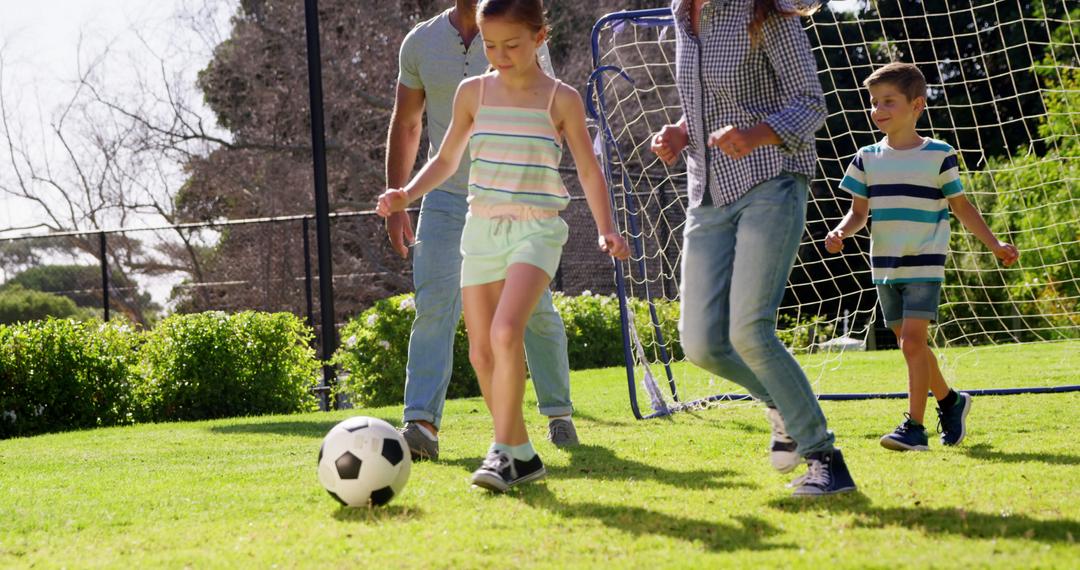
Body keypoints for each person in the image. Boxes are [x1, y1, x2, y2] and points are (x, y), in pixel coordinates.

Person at [377, 0, 630, 491]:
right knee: (480, 354)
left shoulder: (561, 98)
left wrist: (606, 227)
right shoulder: (471, 91)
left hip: (536, 226)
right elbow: (447, 158)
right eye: (491, 46)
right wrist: (405, 192)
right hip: (479, 225)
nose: (499, 54)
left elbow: (587, 168)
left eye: (511, 45)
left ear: (539, 38)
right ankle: (518, 452)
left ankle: (513, 444)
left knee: (508, 328)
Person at [650, 0, 856, 496]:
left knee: (749, 329)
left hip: (771, 179)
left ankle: (824, 458)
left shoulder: (767, 11)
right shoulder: (682, 16)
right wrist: (681, 131)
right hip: (707, 191)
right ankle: (783, 406)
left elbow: (811, 102)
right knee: (700, 342)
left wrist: (757, 133)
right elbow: (709, 100)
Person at [825, 62, 1019, 451]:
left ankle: (914, 428)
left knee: (913, 342)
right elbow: (860, 213)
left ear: (917, 106)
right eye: (874, 102)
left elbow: (961, 207)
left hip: (925, 262)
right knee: (909, 345)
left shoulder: (938, 155)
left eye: (888, 102)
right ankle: (950, 401)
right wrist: (842, 231)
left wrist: (995, 244)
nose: (878, 110)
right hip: (886, 265)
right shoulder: (866, 158)